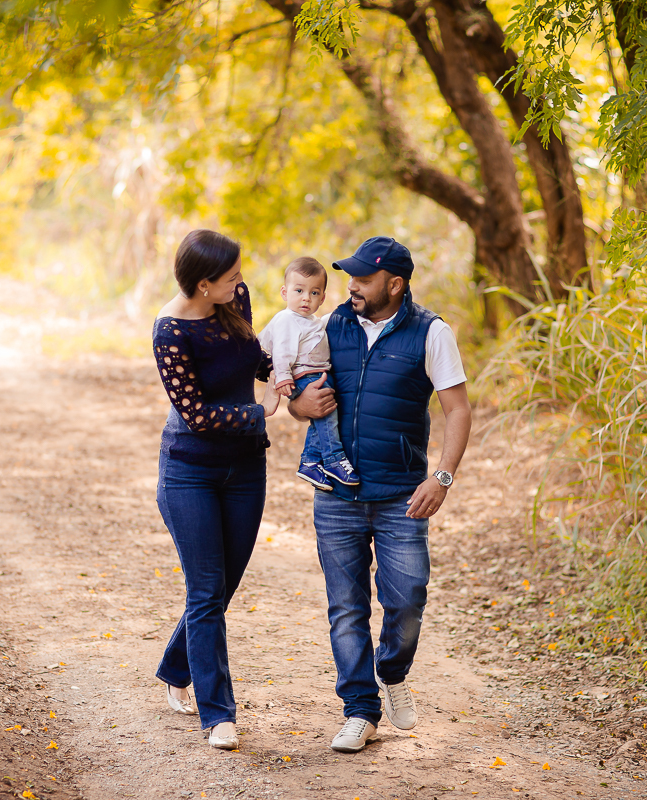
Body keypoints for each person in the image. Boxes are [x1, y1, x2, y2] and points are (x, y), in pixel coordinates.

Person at [287, 236, 472, 753]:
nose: (350, 287)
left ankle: (392, 672)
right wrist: (303, 405)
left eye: (362, 279)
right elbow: (300, 396)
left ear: (395, 284)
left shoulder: (432, 333)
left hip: (402, 498)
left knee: (408, 599)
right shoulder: (332, 326)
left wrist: (442, 477)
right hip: (336, 494)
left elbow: (457, 410)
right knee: (346, 608)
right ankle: (360, 711)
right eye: (349, 277)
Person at [151, 229, 271, 751]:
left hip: (246, 468)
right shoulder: (170, 331)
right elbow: (196, 414)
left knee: (220, 590)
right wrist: (261, 410)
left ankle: (178, 663)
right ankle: (217, 713)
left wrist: (292, 377)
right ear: (203, 285)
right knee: (205, 592)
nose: (240, 282)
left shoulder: (233, 301)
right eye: (231, 276)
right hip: (189, 472)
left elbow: (256, 359)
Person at [258, 257, 360, 490]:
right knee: (326, 415)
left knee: (322, 414)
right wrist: (282, 377)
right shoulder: (287, 319)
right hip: (303, 377)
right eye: (299, 290)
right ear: (285, 292)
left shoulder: (309, 321)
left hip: (317, 375)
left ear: (322, 298)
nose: (306, 298)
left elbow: (319, 328)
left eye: (314, 293)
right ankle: (333, 459)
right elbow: (282, 351)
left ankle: (311, 462)